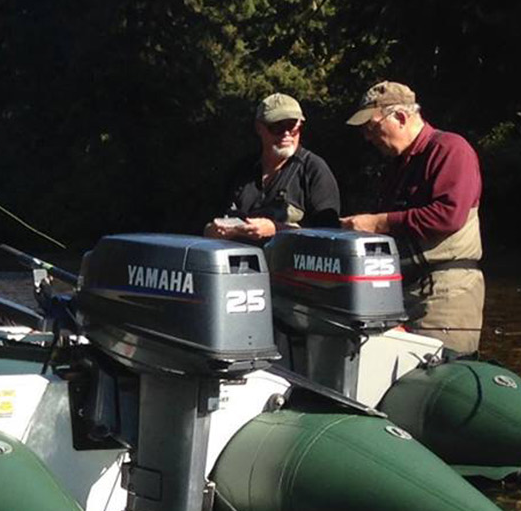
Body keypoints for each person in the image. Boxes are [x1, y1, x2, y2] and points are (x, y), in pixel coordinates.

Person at [339, 80, 484, 354]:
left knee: (442, 373)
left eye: (372, 127)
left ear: (401, 118)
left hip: (446, 292)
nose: (367, 137)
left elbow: (448, 216)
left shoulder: (451, 149)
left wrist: (376, 223)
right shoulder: (399, 165)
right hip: (405, 289)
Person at [205, 92, 340, 243]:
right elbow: (208, 223)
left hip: (288, 264)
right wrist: (215, 231)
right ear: (259, 128)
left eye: (292, 126)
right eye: (276, 127)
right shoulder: (241, 171)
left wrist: (275, 229)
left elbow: (330, 235)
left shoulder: (314, 170)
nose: (286, 134)